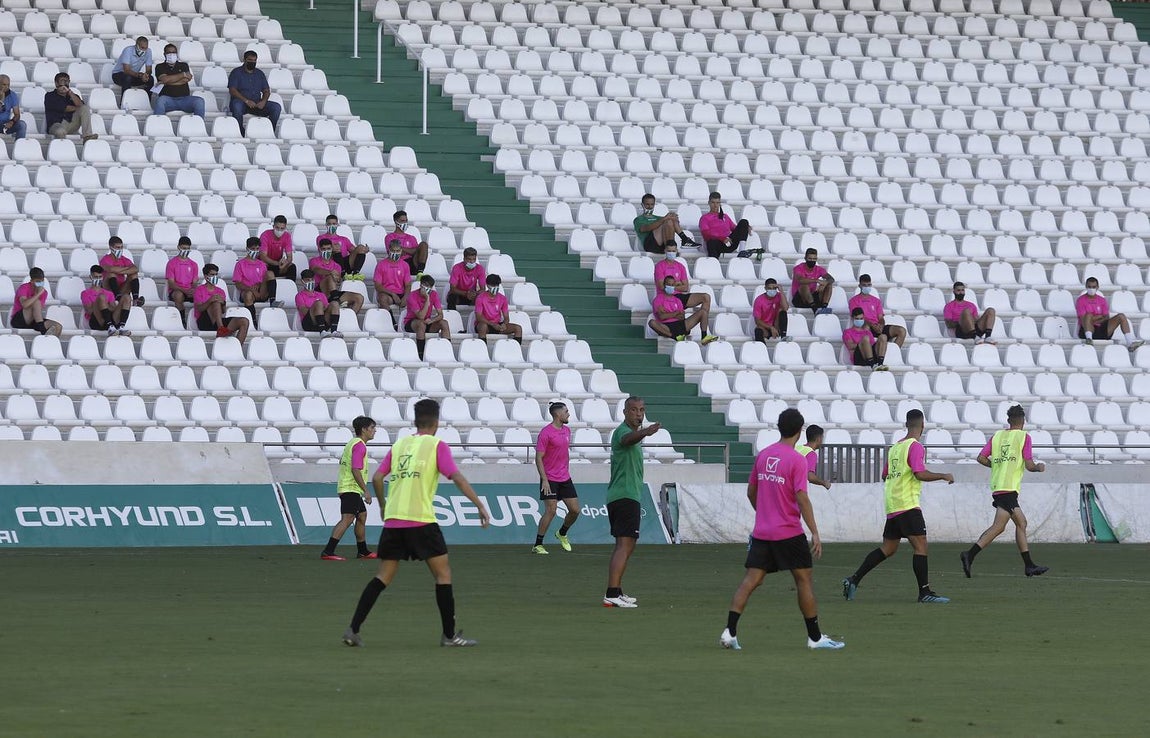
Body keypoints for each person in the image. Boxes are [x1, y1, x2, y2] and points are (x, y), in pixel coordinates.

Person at [342, 398, 491, 648]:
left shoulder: (400, 444)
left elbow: (378, 477)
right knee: (443, 575)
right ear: (437, 422)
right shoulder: (436, 446)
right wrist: (479, 505)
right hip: (421, 522)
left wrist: (382, 506)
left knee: (383, 577)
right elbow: (457, 477)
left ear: (414, 421)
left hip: (394, 523)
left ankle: (353, 629)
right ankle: (449, 636)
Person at [720, 408, 845, 651]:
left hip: (763, 532)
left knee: (751, 580)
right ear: (799, 432)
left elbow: (750, 492)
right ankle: (815, 638)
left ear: (779, 428)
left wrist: (764, 514)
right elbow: (802, 498)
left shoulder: (764, 455)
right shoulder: (797, 459)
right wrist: (815, 532)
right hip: (788, 532)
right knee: (804, 580)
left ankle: (729, 631)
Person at [841, 409, 955, 604]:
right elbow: (919, 473)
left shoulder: (895, 448)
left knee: (888, 548)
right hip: (908, 504)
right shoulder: (916, 446)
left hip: (892, 505)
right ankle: (924, 592)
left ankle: (853, 580)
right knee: (921, 546)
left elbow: (885, 475)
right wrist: (943, 475)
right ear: (923, 425)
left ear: (906, 425)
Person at [961, 405, 1050, 579]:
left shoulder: (998, 436)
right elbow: (1029, 464)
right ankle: (1027, 565)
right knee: (1018, 523)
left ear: (1009, 420)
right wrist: (1039, 468)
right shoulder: (1024, 437)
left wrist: (995, 465)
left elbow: (980, 458)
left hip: (998, 487)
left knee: (1003, 526)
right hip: (1008, 488)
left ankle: (970, 555)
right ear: (1023, 421)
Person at [603, 396, 661, 608]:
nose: (639, 414)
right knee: (624, 545)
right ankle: (611, 593)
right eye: (634, 410)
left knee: (627, 545)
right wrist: (645, 432)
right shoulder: (622, 432)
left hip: (628, 495)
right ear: (625, 412)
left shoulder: (632, 434)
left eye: (642, 410)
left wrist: (643, 433)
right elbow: (627, 440)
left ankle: (616, 591)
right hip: (623, 496)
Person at [320, 416, 378, 561]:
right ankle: (328, 551)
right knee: (347, 518)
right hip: (350, 487)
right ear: (364, 429)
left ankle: (363, 551)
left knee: (362, 515)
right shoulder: (360, 446)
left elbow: (344, 461)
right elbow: (355, 469)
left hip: (350, 488)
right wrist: (366, 490)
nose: (374, 431)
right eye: (372, 428)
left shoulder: (352, 443)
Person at [532, 402, 581, 555]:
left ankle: (562, 533)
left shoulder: (567, 430)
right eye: (566, 411)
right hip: (550, 478)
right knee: (551, 510)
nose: (568, 414)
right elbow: (539, 458)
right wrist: (544, 479)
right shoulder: (546, 433)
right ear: (558, 414)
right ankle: (538, 545)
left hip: (564, 478)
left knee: (575, 510)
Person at [654, 242, 718, 344]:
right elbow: (662, 286)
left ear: (677, 251)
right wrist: (678, 283)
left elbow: (686, 287)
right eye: (669, 251)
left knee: (706, 297)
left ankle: (704, 332)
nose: (671, 253)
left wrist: (672, 285)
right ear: (665, 251)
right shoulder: (660, 266)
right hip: (665, 297)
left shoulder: (680, 266)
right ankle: (683, 331)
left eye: (673, 251)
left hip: (679, 296)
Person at [1075, 276, 1143, 351]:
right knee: (1088, 315)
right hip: (1086, 329)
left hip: (1102, 329)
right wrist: (1098, 317)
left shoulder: (1102, 300)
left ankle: (1130, 343)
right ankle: (1089, 340)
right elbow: (1083, 319)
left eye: (1093, 287)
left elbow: (1106, 317)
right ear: (1086, 287)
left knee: (1121, 316)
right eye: (1089, 287)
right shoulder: (1080, 300)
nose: (1091, 289)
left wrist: (1092, 320)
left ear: (1097, 287)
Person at [227, 50, 281, 135]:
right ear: (244, 60)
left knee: (276, 107)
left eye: (254, 60)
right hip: (242, 103)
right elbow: (232, 90)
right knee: (237, 106)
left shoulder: (259, 74)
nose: (252, 62)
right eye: (250, 60)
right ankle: (240, 133)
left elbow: (266, 90)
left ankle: (269, 132)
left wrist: (263, 101)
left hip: (257, 103)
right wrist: (246, 101)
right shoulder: (236, 72)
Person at [193, 263, 249, 341]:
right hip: (204, 322)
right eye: (212, 275)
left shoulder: (220, 291)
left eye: (216, 274)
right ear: (206, 277)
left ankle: (237, 348)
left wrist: (223, 303)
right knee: (215, 302)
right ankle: (221, 328)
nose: (215, 277)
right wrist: (210, 301)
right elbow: (199, 308)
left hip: (218, 321)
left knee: (244, 321)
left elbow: (223, 311)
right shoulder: (199, 290)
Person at [233, 236, 282, 325]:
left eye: (257, 248)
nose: (255, 251)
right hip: (248, 291)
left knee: (270, 273)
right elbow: (238, 283)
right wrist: (251, 289)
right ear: (247, 249)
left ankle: (272, 301)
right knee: (248, 295)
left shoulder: (262, 264)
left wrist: (258, 286)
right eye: (253, 248)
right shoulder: (240, 264)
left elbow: (264, 279)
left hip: (261, 290)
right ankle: (253, 321)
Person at [649, 275, 712, 342]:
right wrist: (676, 313)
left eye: (672, 285)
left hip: (681, 325)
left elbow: (682, 316)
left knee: (703, 312)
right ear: (664, 285)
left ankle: (704, 337)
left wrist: (668, 314)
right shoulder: (658, 299)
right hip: (666, 326)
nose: (670, 286)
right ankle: (673, 336)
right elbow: (662, 316)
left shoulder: (677, 300)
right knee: (652, 323)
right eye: (668, 284)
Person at [849, 274, 906, 348]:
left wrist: (881, 326)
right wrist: (872, 325)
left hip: (877, 326)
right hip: (866, 326)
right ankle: (869, 354)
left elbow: (881, 318)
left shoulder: (876, 301)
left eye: (868, 285)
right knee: (866, 327)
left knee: (901, 331)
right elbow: (857, 317)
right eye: (864, 285)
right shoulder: (854, 301)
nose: (866, 287)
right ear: (859, 285)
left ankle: (893, 352)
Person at [310, 240, 364, 315]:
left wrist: (337, 278)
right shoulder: (314, 260)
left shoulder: (336, 265)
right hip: (318, 292)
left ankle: (348, 319)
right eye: (323, 249)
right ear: (319, 249)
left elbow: (338, 280)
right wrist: (330, 272)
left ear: (332, 249)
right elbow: (316, 269)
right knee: (330, 277)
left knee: (359, 298)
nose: (326, 251)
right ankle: (336, 301)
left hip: (333, 293)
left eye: (328, 249)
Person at [633, 193, 698, 254]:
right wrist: (664, 219)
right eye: (647, 204)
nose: (650, 206)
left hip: (663, 245)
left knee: (671, 218)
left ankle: (682, 241)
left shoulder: (659, 218)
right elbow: (645, 228)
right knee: (668, 220)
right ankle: (677, 244)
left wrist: (675, 219)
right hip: (650, 246)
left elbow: (671, 224)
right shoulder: (638, 219)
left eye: (652, 204)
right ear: (642, 205)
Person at [405, 274, 450, 360]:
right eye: (425, 285)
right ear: (421, 285)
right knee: (421, 324)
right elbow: (421, 316)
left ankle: (447, 350)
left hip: (427, 321)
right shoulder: (412, 296)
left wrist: (432, 320)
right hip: (412, 322)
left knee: (444, 323)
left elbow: (440, 314)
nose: (426, 288)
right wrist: (427, 299)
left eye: (429, 286)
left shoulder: (434, 294)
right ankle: (421, 354)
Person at [152, 43, 204, 117]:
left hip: (185, 99)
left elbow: (186, 80)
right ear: (164, 54)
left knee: (199, 101)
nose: (171, 54)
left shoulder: (184, 65)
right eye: (169, 52)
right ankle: (158, 124)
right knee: (160, 100)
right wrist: (182, 75)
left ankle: (199, 126)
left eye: (174, 52)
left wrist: (167, 82)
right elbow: (165, 79)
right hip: (168, 100)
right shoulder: (159, 66)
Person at [10, 268, 63, 337]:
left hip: (35, 320)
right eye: (37, 281)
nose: (40, 283)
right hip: (19, 320)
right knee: (36, 302)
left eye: (42, 281)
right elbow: (25, 305)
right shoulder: (24, 287)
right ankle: (42, 329)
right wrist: (37, 294)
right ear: (31, 281)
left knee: (58, 326)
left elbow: (38, 311)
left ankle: (52, 345)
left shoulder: (44, 293)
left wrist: (40, 293)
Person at [44, 73, 96, 141]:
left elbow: (82, 106)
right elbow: (65, 108)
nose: (64, 84)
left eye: (66, 81)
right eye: (62, 81)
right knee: (60, 131)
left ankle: (87, 136)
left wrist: (70, 93)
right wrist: (77, 108)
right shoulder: (50, 96)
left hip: (71, 124)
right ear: (56, 84)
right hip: (56, 124)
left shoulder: (73, 96)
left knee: (85, 108)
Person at [82, 265, 131, 337]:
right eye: (96, 277)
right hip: (97, 321)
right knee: (101, 297)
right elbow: (89, 311)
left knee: (127, 297)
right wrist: (101, 304)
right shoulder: (85, 293)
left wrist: (104, 305)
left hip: (111, 318)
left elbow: (113, 308)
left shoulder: (109, 293)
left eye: (100, 277)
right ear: (90, 277)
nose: (98, 279)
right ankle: (110, 326)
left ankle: (121, 327)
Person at [698, 192, 750, 259]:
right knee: (711, 242)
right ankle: (714, 264)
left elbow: (735, 229)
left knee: (744, 222)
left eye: (717, 203)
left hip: (729, 243)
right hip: (716, 244)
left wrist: (745, 227)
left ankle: (742, 251)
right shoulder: (704, 218)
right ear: (709, 203)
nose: (715, 205)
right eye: (713, 202)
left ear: (720, 203)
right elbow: (706, 235)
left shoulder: (725, 216)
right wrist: (722, 238)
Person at [295, 269, 344, 338]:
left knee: (335, 303)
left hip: (322, 321)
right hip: (309, 324)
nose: (310, 282)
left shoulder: (321, 295)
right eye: (307, 280)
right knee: (318, 303)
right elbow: (304, 311)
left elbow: (327, 308)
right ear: (302, 281)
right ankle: (322, 331)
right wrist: (317, 308)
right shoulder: (299, 296)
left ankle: (334, 331)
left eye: (311, 279)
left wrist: (320, 309)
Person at [317, 214, 368, 281]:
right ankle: (343, 275)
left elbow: (354, 250)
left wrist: (364, 249)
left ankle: (355, 274)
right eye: (329, 224)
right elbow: (326, 249)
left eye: (334, 223)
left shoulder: (344, 239)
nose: (331, 226)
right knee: (336, 250)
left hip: (346, 263)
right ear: (326, 225)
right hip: (332, 263)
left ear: (337, 224)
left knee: (360, 248)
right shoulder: (321, 238)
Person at [474, 274, 522, 343]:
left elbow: (506, 317)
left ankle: (516, 350)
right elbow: (478, 317)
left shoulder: (503, 298)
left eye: (497, 285)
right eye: (493, 285)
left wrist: (504, 324)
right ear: (487, 285)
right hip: (486, 324)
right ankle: (483, 350)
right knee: (483, 327)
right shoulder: (480, 298)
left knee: (518, 328)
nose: (495, 287)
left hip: (498, 325)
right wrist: (492, 324)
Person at [100, 237, 145, 308]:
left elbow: (135, 269)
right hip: (108, 289)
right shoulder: (105, 259)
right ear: (111, 247)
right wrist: (126, 269)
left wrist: (119, 270)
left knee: (133, 275)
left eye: (121, 247)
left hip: (121, 289)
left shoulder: (124, 259)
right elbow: (111, 269)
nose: (120, 249)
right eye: (117, 247)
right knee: (111, 274)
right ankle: (117, 300)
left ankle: (136, 300)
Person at [165, 236, 199, 326]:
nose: (186, 250)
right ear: (178, 247)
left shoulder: (193, 264)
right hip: (177, 290)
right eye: (184, 248)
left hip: (189, 290)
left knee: (203, 295)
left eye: (188, 248)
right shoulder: (172, 263)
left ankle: (200, 321)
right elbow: (171, 284)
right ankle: (182, 320)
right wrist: (185, 290)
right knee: (178, 295)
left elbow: (195, 282)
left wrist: (193, 290)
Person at [383, 210, 429, 276]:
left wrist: (401, 248)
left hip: (412, 262)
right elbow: (392, 252)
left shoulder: (411, 237)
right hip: (398, 263)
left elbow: (416, 251)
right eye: (402, 221)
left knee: (424, 244)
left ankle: (420, 273)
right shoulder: (389, 237)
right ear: (396, 222)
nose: (405, 223)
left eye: (406, 220)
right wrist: (409, 251)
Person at [791, 248, 834, 315]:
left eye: (814, 259)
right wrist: (816, 280)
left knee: (829, 284)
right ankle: (814, 309)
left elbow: (831, 279)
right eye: (810, 259)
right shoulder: (798, 268)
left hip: (812, 296)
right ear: (805, 258)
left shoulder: (819, 269)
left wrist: (825, 283)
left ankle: (824, 308)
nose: (812, 261)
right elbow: (800, 280)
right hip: (800, 298)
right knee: (804, 285)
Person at [372, 240, 410, 315]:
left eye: (398, 250)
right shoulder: (381, 264)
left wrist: (405, 297)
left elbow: (408, 284)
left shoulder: (405, 265)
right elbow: (378, 286)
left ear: (401, 250)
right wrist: (393, 294)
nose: (395, 253)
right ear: (389, 250)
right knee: (382, 298)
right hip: (387, 293)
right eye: (393, 250)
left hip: (401, 293)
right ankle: (392, 322)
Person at [258, 215, 297, 282]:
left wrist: (285, 263)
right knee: (264, 266)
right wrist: (277, 263)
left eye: (282, 228)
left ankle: (290, 288)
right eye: (277, 228)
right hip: (267, 263)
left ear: (285, 228)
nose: (279, 230)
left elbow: (290, 257)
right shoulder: (265, 235)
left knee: (292, 267)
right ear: (273, 226)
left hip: (278, 263)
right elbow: (263, 256)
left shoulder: (287, 236)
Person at [752, 277, 789, 342]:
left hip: (776, 326)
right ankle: (762, 350)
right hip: (766, 327)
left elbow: (786, 308)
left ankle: (783, 337)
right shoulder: (759, 300)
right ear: (765, 288)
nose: (772, 290)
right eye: (769, 288)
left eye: (774, 288)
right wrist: (771, 328)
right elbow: (757, 321)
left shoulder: (779, 296)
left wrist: (781, 291)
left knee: (782, 311)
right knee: (758, 330)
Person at [797, 425, 832, 491]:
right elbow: (810, 477)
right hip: (796, 489)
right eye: (822, 437)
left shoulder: (798, 447)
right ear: (818, 439)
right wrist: (824, 483)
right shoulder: (811, 453)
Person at [0, 74, 27, 140]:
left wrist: (11, 122)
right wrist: (2, 99)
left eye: (8, 85)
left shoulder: (12, 95)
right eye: (4, 84)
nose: (7, 87)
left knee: (22, 125)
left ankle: (19, 148)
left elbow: (17, 114)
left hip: (4, 124)